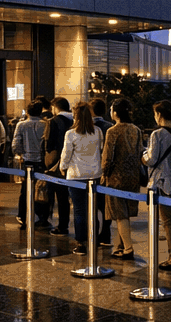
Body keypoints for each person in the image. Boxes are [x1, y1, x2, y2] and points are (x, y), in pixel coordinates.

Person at [100, 97, 144, 259]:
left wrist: (104, 174)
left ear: (116, 113)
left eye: (112, 109)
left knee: (119, 214)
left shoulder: (112, 131)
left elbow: (107, 157)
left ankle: (128, 248)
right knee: (125, 214)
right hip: (133, 176)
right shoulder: (136, 130)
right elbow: (140, 152)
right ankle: (119, 245)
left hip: (115, 178)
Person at [143, 99, 171, 270]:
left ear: (158, 114)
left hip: (162, 183)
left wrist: (143, 156)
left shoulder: (157, 134)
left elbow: (151, 159)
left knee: (168, 222)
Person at [59, 100, 102, 255]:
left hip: (76, 175)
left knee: (79, 210)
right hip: (95, 174)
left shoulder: (71, 134)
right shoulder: (97, 131)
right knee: (93, 209)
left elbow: (66, 154)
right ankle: (95, 239)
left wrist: (62, 167)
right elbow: (100, 150)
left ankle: (80, 242)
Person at [11, 99, 47, 228]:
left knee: (25, 190)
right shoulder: (45, 124)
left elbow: (15, 144)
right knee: (41, 189)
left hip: (27, 161)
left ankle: (23, 216)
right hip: (41, 161)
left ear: (27, 111)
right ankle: (42, 216)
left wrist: (21, 154)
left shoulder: (21, 125)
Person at [42, 96, 73, 234]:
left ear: (55, 107)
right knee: (66, 196)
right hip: (74, 163)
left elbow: (49, 145)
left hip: (57, 163)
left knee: (56, 194)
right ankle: (64, 223)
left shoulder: (54, 121)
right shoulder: (76, 120)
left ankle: (57, 223)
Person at [90, 98, 114, 245]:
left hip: (92, 170)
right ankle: (106, 232)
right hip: (108, 171)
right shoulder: (110, 127)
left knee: (93, 204)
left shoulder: (88, 128)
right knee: (106, 204)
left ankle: (94, 233)